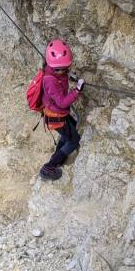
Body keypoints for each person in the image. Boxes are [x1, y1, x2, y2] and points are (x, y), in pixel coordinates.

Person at [38, 39, 84, 181]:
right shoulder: (50, 80)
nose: (64, 71)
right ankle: (48, 168)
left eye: (66, 68)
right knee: (73, 141)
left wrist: (69, 76)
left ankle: (58, 158)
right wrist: (77, 91)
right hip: (56, 116)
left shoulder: (53, 69)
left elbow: (61, 74)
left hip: (59, 114)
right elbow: (62, 102)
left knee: (67, 135)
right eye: (62, 69)